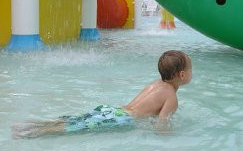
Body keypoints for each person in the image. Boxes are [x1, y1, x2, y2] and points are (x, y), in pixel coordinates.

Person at [12, 50, 192, 138]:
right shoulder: (171, 97)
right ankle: (28, 133)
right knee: (72, 129)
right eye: (191, 69)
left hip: (113, 110)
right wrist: (173, 137)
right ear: (182, 75)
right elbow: (161, 126)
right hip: (122, 120)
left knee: (75, 121)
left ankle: (29, 125)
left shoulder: (156, 84)